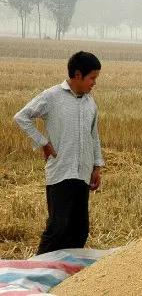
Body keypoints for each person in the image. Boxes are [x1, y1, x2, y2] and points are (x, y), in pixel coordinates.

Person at [14, 51, 104, 255]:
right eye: (92, 78)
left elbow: (94, 135)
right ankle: (40, 271)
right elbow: (22, 117)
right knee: (58, 228)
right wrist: (43, 142)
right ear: (78, 75)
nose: (94, 83)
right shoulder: (51, 97)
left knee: (80, 229)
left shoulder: (90, 102)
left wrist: (97, 167)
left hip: (82, 173)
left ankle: (68, 278)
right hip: (60, 172)